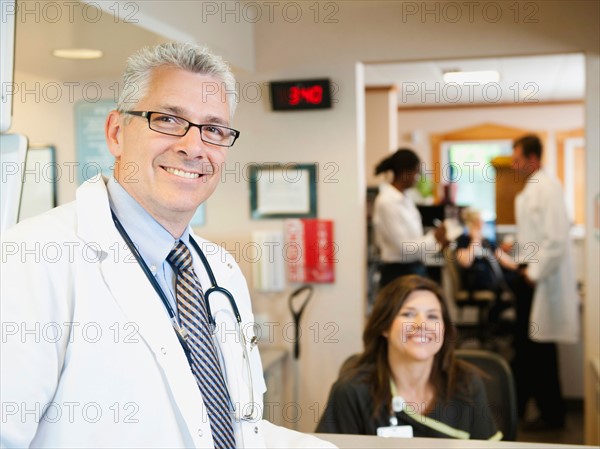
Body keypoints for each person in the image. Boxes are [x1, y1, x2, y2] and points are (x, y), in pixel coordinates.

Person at [0, 42, 334, 448]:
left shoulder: (219, 269)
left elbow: (232, 425)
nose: (193, 147)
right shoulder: (30, 261)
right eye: (169, 119)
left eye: (213, 129)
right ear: (116, 133)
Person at [316, 275, 502, 440]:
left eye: (433, 316)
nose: (422, 324)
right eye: (408, 314)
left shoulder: (466, 384)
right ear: (385, 327)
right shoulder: (352, 391)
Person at [511, 134, 579, 431]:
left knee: (539, 352)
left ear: (533, 159)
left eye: (517, 160)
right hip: (531, 277)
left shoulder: (548, 188)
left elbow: (555, 241)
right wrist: (514, 248)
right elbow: (533, 235)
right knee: (529, 349)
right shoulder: (533, 188)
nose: (513, 166)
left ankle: (552, 415)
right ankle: (528, 408)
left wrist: (533, 273)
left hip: (541, 280)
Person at [372, 149, 447, 289]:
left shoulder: (406, 199)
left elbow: (416, 244)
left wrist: (439, 243)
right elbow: (404, 248)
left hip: (414, 268)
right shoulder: (387, 202)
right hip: (398, 273)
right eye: (416, 172)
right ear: (404, 172)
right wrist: (434, 237)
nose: (417, 177)